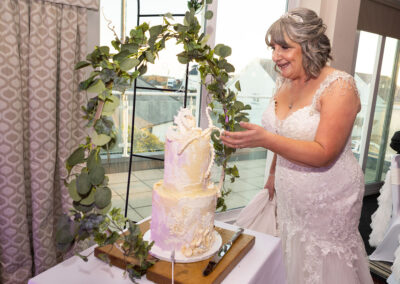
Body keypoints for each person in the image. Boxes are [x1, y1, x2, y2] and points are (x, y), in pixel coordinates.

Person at [221, 8, 374, 284]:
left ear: (309, 46)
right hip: (290, 197)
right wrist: (271, 176)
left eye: (284, 47)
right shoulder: (283, 82)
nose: (275, 56)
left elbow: (324, 153)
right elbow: (285, 133)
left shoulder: (340, 86)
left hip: (329, 198)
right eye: (273, 47)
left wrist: (264, 139)